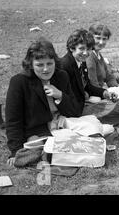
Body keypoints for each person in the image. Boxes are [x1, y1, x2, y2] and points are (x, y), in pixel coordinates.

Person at [5, 38, 81, 166]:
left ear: (55, 62)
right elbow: (13, 120)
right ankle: (40, 152)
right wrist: (15, 151)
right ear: (31, 64)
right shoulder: (19, 82)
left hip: (62, 124)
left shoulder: (61, 76)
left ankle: (49, 151)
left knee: (91, 126)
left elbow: (75, 111)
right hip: (37, 131)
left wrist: (60, 95)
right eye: (40, 65)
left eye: (49, 63)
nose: (46, 69)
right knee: (39, 145)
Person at [60, 29, 117, 114]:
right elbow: (68, 95)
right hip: (74, 110)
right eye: (81, 48)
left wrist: (105, 93)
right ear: (72, 48)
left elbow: (87, 86)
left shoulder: (81, 62)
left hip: (81, 104)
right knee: (117, 107)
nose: (85, 53)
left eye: (89, 49)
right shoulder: (65, 66)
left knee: (118, 104)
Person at [86, 24, 119, 88]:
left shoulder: (98, 55)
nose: (101, 42)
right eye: (98, 38)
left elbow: (109, 76)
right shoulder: (89, 57)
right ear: (90, 38)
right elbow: (93, 85)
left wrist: (114, 87)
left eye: (104, 39)